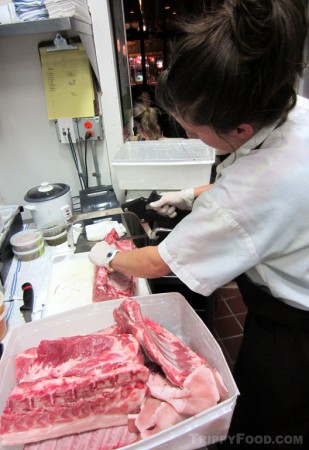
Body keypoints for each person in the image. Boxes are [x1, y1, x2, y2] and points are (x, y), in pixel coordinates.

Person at [89, 0, 309, 447]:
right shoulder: (294, 113)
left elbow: (156, 262)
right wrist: (192, 196)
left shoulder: (254, 188)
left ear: (241, 129)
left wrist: (109, 255)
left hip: (295, 326)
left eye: (194, 129)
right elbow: (263, 196)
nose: (190, 135)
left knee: (264, 424)